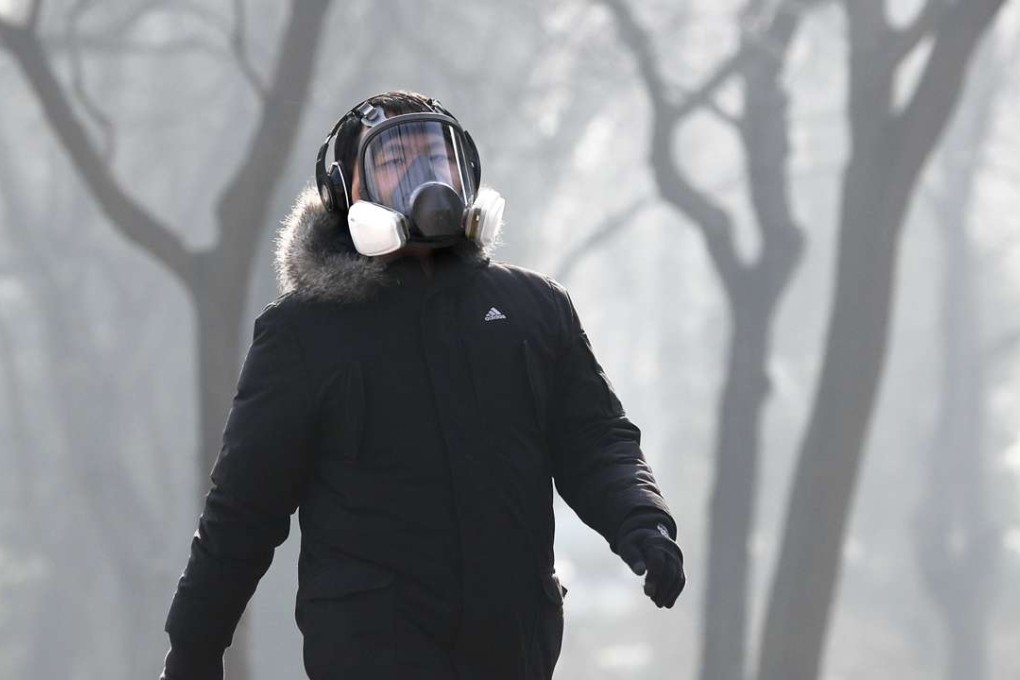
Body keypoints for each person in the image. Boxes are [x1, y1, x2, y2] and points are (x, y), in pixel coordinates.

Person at [160, 90, 685, 680]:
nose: (422, 177)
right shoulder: (302, 335)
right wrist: (194, 651)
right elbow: (242, 513)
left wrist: (643, 519)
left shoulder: (533, 310)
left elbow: (596, 440)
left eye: (436, 158)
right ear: (345, 195)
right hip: (375, 657)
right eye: (393, 161)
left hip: (513, 656)